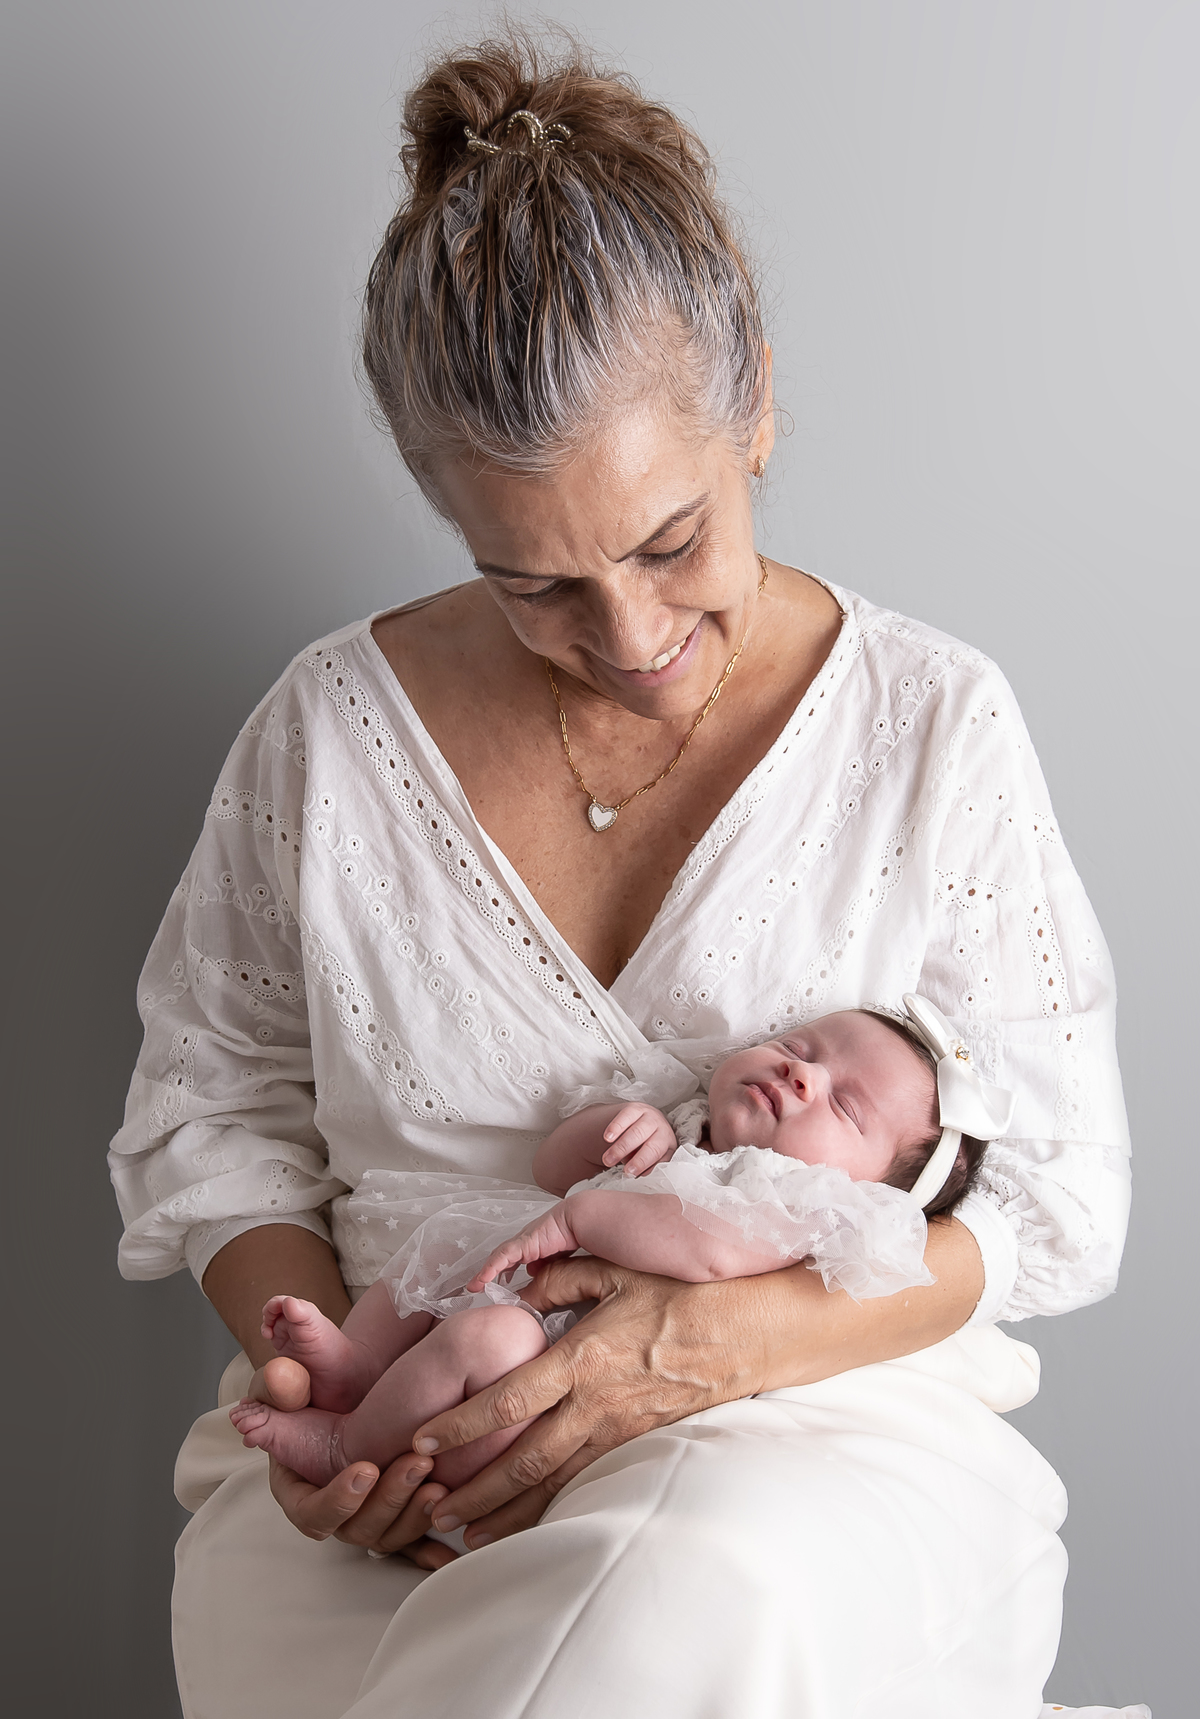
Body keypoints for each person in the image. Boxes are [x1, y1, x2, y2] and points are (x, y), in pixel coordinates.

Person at [108, 32, 1133, 1719]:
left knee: (675, 1606)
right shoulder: (327, 736)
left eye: (670, 541)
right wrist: (326, 1375)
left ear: (758, 406)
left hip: (806, 1440)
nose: (633, 633)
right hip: (397, 1448)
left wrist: (714, 1341)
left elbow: (1055, 1197)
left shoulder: (932, 723)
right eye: (534, 584)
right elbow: (215, 1110)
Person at [226, 1000, 1003, 1491]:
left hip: (557, 1368)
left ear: (871, 1196)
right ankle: (362, 1363)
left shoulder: (796, 1210)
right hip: (515, 1279)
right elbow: (550, 1170)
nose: (802, 1074)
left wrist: (581, 1221)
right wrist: (623, 1135)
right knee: (442, 1238)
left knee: (487, 1340)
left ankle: (347, 1447)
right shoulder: (685, 1117)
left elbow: (707, 1253)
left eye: (846, 1106)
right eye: (801, 1046)